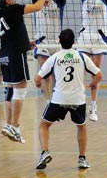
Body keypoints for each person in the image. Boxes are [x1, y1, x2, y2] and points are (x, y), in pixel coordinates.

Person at [34, 29, 102, 170]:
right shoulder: (82, 56)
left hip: (59, 98)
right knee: (81, 126)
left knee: (43, 125)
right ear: (74, 42)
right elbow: (99, 75)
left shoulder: (55, 57)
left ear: (59, 41)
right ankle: (82, 159)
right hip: (78, 99)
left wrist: (38, 84)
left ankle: (45, 152)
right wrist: (92, 84)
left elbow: (38, 78)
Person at [0, 0, 49, 143]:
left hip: (5, 55)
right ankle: (15, 126)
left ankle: (9, 125)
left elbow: (12, 34)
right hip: (15, 54)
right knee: (21, 91)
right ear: (7, 0)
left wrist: (26, 43)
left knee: (11, 90)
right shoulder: (13, 9)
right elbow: (37, 7)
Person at [69, 0, 107, 122]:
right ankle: (81, 103)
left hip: (100, 38)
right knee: (81, 73)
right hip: (85, 36)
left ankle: (93, 107)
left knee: (96, 74)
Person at [32, 0, 71, 103]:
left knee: (57, 74)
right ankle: (49, 102)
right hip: (42, 41)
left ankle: (57, 99)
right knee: (46, 73)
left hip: (56, 41)